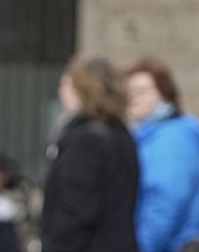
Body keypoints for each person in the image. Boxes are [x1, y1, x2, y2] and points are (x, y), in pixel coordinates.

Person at [42, 54, 139, 252]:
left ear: (82, 90)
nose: (61, 92)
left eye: (66, 84)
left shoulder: (86, 140)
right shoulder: (121, 134)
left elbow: (76, 211)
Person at [126, 58, 199, 252]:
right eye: (128, 92)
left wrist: (142, 246)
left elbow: (166, 201)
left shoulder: (173, 137)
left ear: (164, 94)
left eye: (141, 91)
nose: (133, 97)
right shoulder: (148, 135)